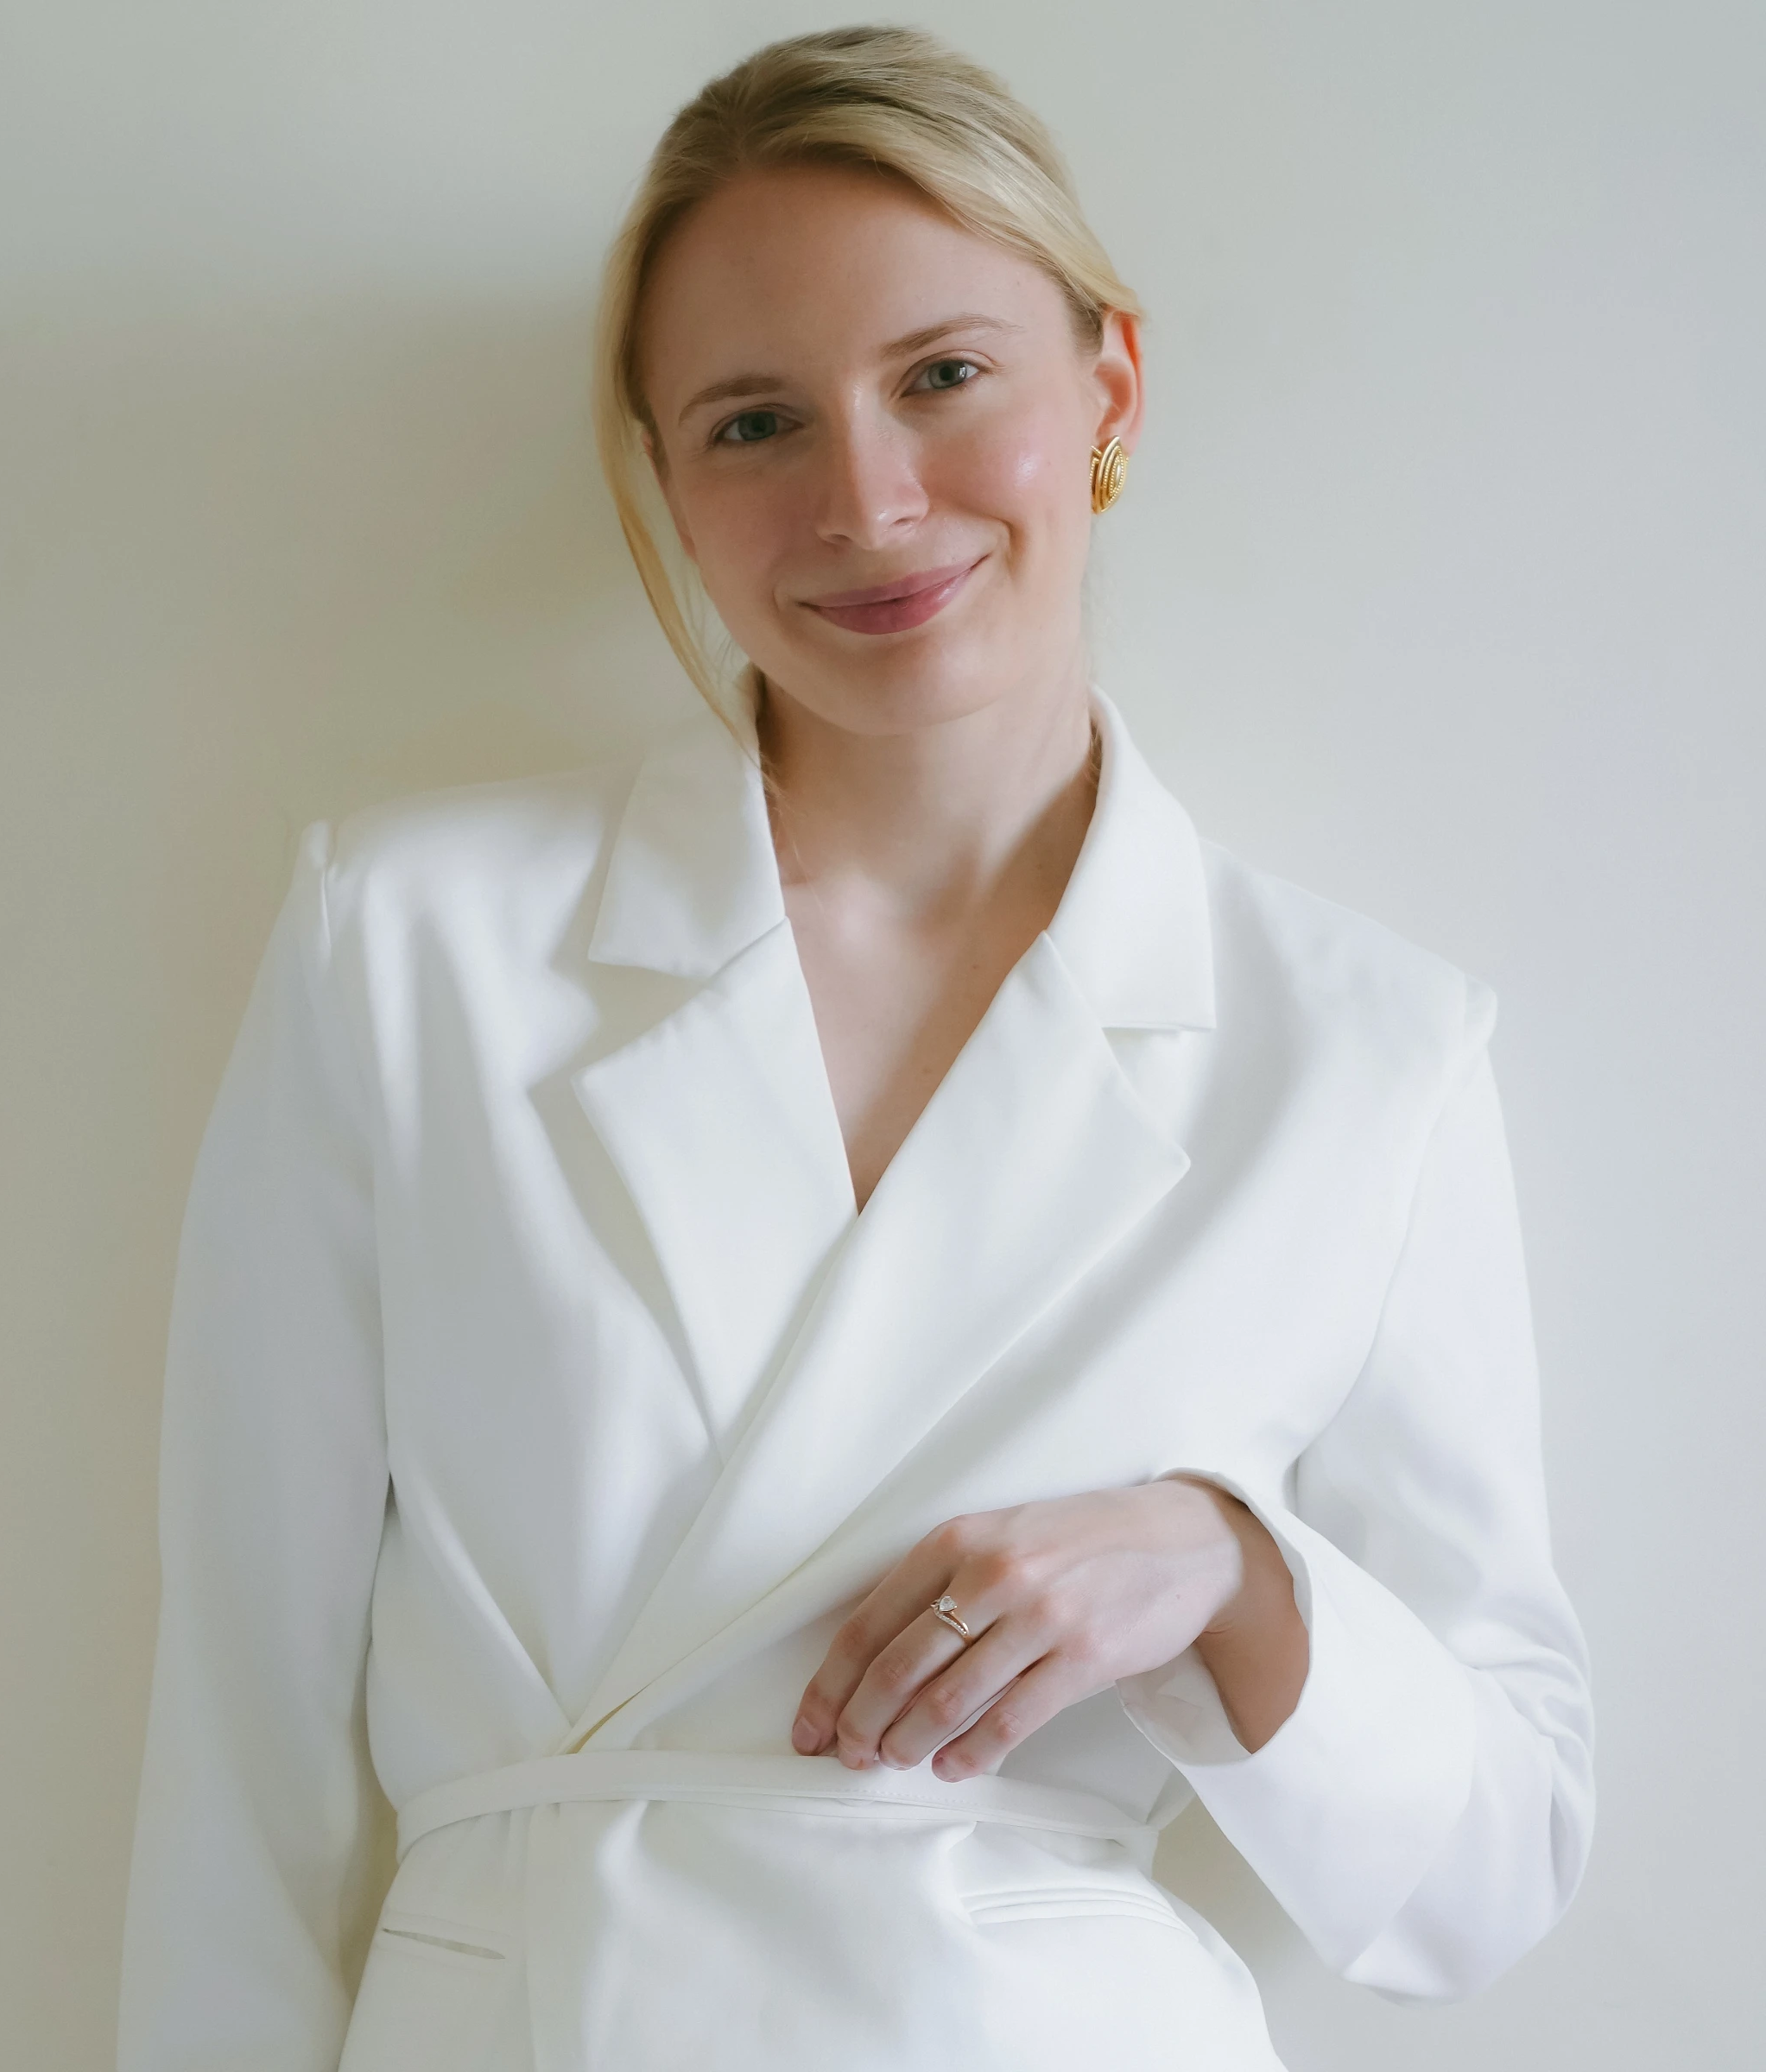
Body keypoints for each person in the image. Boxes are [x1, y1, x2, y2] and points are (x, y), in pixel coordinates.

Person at [117, 27, 1593, 2071]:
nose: (870, 502)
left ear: (1111, 389)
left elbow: (1487, 1874)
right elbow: (242, 1765)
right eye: (755, 422)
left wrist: (1229, 1576)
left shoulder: (1360, 1054)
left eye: (944, 375)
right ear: (666, 477)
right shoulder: (411, 946)